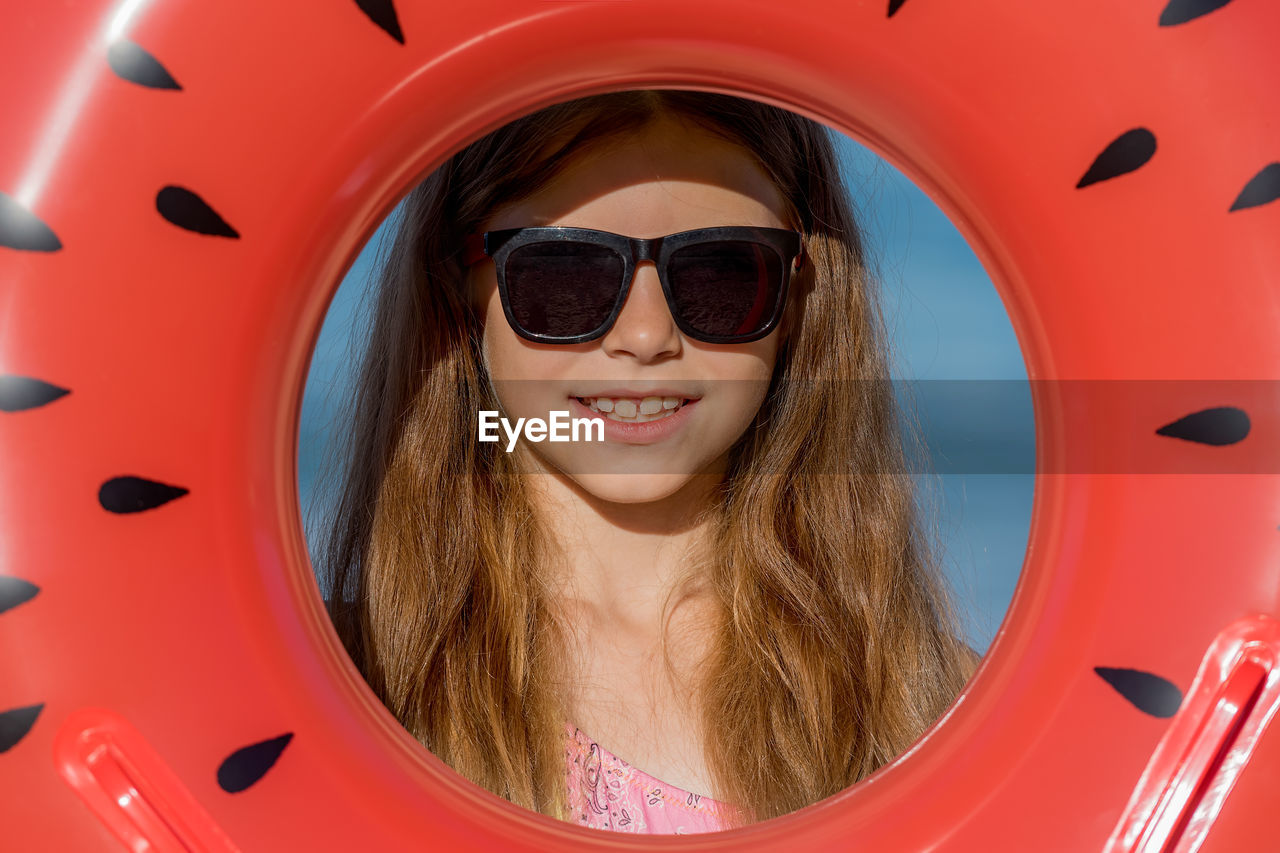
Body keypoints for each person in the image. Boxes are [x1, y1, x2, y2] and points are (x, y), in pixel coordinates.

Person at [314, 89, 978, 834]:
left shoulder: (935, 701)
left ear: (796, 293)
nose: (645, 334)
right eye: (565, 276)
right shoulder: (339, 684)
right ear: (464, 287)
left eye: (722, 273)